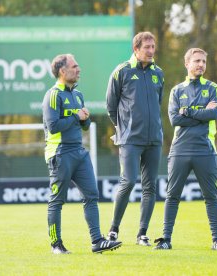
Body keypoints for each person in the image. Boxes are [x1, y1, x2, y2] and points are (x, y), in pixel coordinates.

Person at [42, 54, 122, 254]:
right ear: (63, 71)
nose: (78, 70)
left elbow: (84, 126)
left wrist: (85, 118)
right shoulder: (53, 95)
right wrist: (76, 116)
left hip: (79, 151)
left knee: (91, 196)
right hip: (60, 153)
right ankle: (56, 245)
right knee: (57, 201)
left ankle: (97, 241)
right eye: (74, 66)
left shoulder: (78, 95)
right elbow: (53, 126)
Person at [154, 48, 217, 251]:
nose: (201, 65)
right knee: (172, 196)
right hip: (179, 150)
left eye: (203, 61)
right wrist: (201, 111)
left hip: (205, 150)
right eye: (196, 61)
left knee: (210, 196)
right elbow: (174, 119)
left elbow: (213, 115)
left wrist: (188, 111)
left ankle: (216, 240)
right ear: (187, 63)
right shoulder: (177, 91)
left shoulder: (213, 88)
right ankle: (166, 239)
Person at [106, 32, 164, 246]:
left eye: (153, 46)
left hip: (154, 139)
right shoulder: (122, 71)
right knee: (128, 181)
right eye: (146, 47)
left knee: (150, 187)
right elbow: (111, 106)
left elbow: (158, 102)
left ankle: (142, 233)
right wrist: (122, 128)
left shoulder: (159, 73)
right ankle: (113, 229)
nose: (151, 50)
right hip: (129, 139)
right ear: (136, 49)